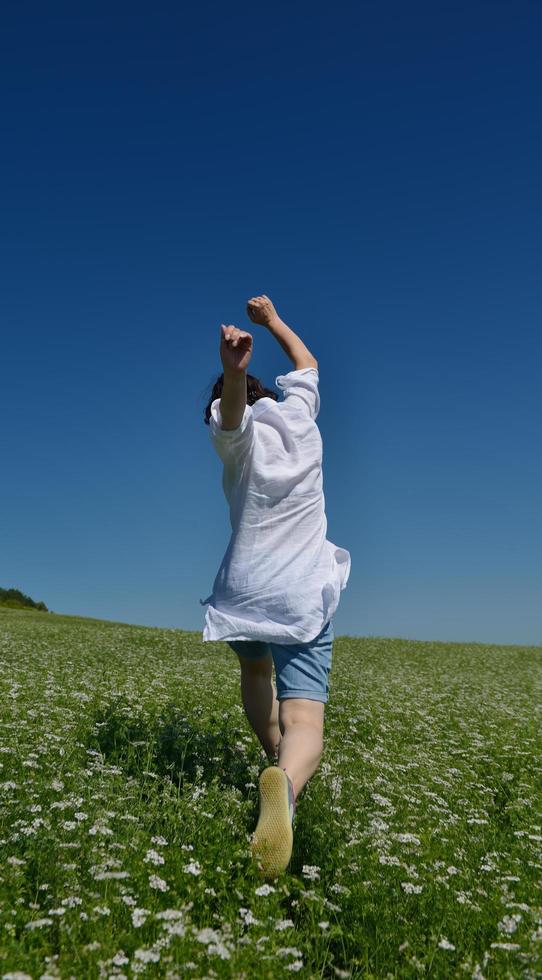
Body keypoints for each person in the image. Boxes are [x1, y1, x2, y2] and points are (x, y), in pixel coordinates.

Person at [200, 294, 351, 878]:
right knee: (306, 721)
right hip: (302, 593)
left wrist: (230, 374)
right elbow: (307, 365)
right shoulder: (301, 420)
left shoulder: (236, 439)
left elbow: (232, 419)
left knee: (255, 672)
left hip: (244, 592)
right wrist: (273, 322)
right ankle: (286, 784)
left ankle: (273, 764)